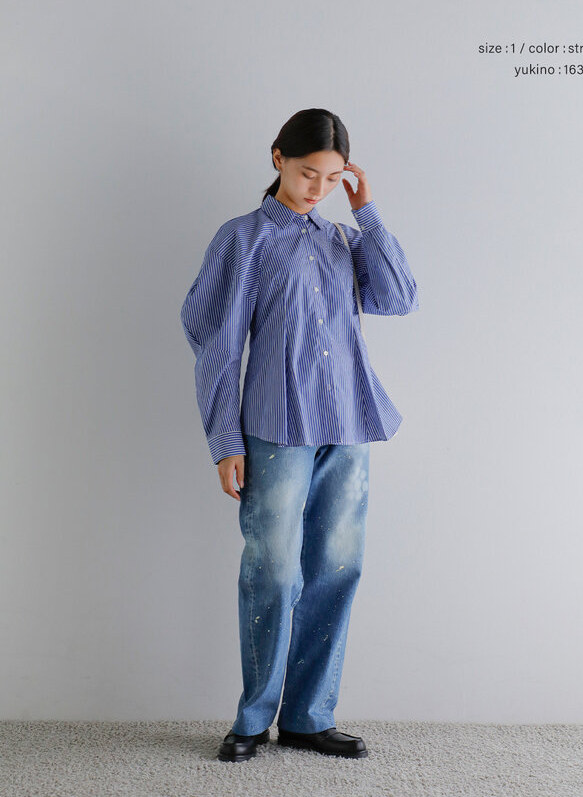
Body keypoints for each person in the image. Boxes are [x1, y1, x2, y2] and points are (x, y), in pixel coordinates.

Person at [180, 108, 419, 763]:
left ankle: (310, 717)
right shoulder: (244, 238)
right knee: (272, 572)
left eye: (333, 178)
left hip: (348, 429)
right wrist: (225, 439)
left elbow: (400, 298)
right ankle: (253, 719)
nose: (318, 188)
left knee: (337, 569)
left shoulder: (343, 239)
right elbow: (216, 342)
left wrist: (367, 213)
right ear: (278, 157)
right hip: (275, 432)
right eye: (309, 172)